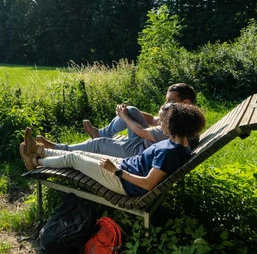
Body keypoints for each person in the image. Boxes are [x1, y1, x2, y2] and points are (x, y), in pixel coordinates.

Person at [20, 103, 205, 196]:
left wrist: (116, 171)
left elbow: (148, 184)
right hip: (125, 165)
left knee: (74, 159)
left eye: (164, 120)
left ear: (174, 125)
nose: (160, 122)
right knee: (82, 153)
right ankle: (40, 151)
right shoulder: (182, 145)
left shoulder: (169, 152)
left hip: (122, 181)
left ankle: (35, 162)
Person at [36, 83, 197, 158]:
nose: (166, 104)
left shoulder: (179, 126)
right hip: (145, 144)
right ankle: (100, 133)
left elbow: (141, 132)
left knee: (98, 145)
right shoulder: (187, 119)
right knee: (132, 110)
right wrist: (128, 112)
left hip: (140, 152)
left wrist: (124, 117)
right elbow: (154, 120)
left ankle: (57, 148)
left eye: (171, 101)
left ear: (186, 103)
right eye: (166, 101)